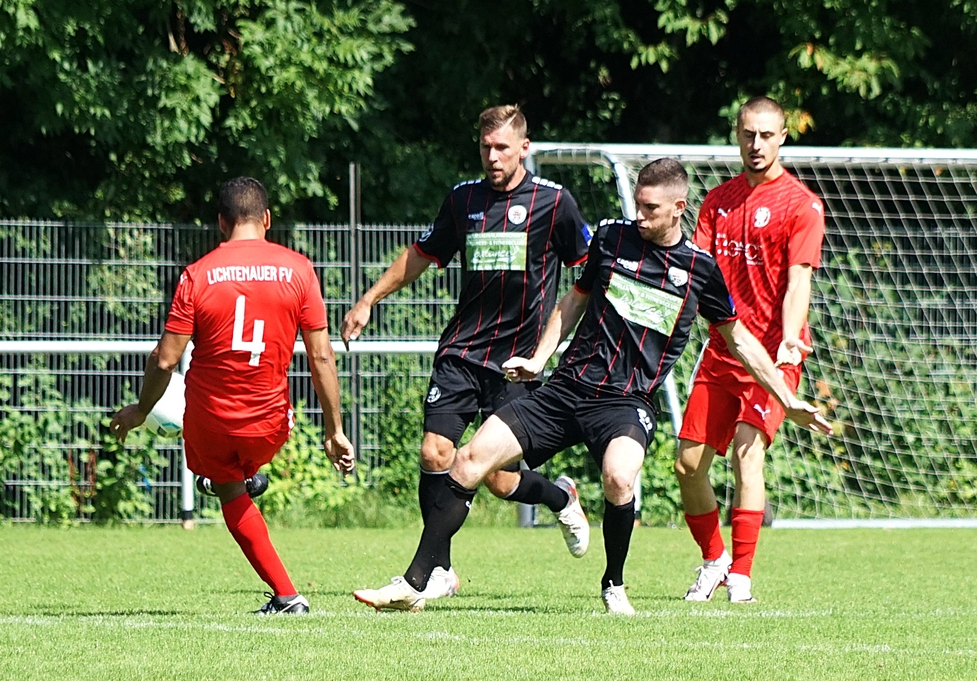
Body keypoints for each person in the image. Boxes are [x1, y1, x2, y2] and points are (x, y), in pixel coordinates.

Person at [352, 158, 832, 614]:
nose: (639, 216)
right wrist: (539, 359)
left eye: (651, 209)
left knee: (620, 477)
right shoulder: (610, 238)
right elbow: (573, 301)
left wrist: (786, 398)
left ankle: (613, 585)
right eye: (637, 205)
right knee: (468, 459)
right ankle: (415, 582)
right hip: (567, 388)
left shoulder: (700, 269)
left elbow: (741, 341)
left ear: (678, 208)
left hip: (626, 403)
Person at [340, 105, 594, 600]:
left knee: (498, 480)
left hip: (516, 364)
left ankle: (560, 496)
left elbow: (588, 272)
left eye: (502, 148)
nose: (492, 157)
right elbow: (421, 254)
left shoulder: (553, 202)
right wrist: (369, 299)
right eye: (485, 147)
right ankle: (440, 569)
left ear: (524, 148)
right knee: (434, 452)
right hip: (461, 351)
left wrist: (571, 342)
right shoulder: (463, 200)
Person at [111, 177, 355, 614]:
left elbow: (165, 360)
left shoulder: (198, 274)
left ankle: (285, 592)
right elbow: (321, 357)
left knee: (225, 483)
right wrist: (334, 430)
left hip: (209, 424)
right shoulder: (299, 269)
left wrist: (141, 410)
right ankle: (245, 477)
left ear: (221, 222)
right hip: (270, 423)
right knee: (249, 453)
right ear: (267, 219)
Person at [675, 96, 826, 604]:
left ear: (783, 137)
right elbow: (695, 273)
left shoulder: (801, 204)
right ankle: (714, 559)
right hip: (722, 353)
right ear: (737, 135)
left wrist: (790, 337)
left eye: (766, 135)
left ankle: (740, 575)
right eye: (748, 134)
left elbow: (799, 280)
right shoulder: (717, 202)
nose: (756, 144)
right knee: (687, 466)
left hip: (773, 357)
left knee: (746, 453)